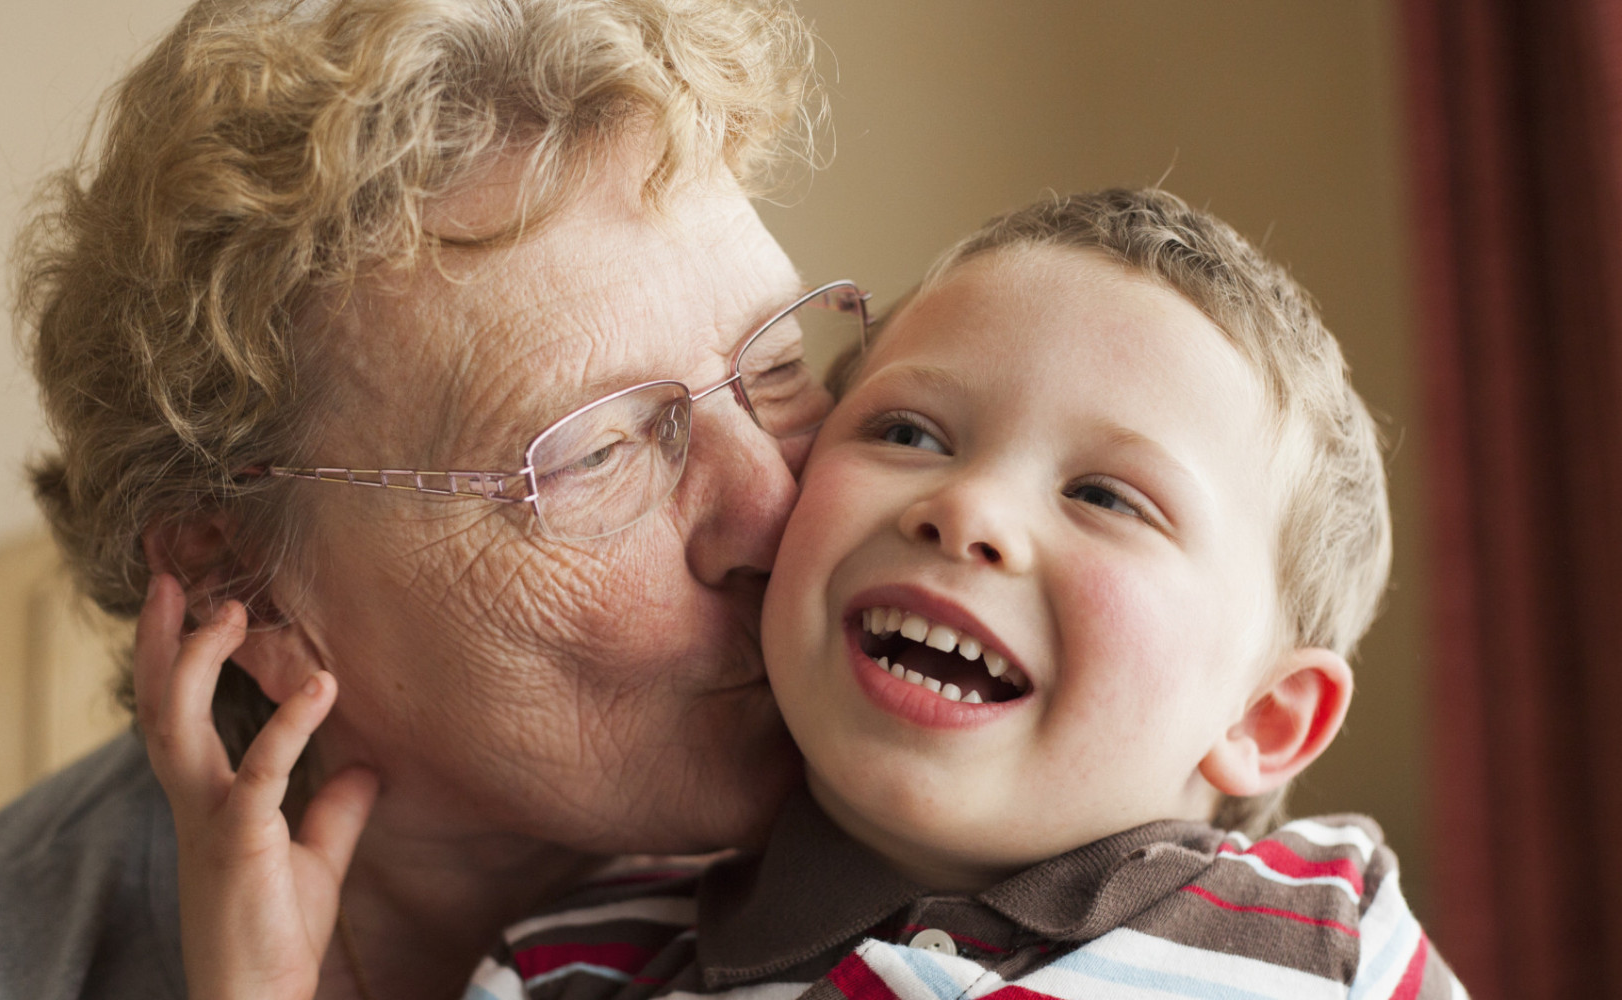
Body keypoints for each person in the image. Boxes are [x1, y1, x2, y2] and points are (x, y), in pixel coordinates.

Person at [0, 1, 866, 998]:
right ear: (250, 586)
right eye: (595, 453)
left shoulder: (970, 841)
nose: (777, 513)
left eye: (775, 367)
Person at [458, 189, 1467, 998]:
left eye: (1105, 496)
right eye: (907, 434)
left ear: (1262, 714)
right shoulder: (578, 964)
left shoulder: (1325, 939)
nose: (967, 506)